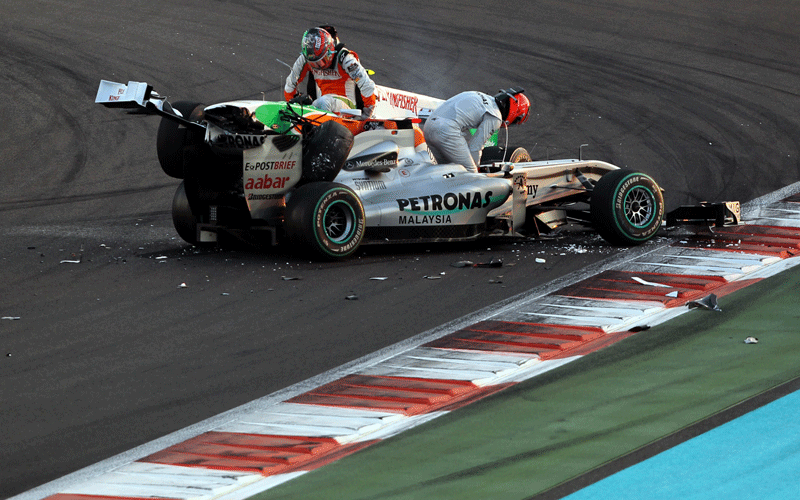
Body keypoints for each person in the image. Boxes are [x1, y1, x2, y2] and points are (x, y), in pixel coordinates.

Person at [422, 88, 530, 173]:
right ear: (516, 114)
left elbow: (467, 140)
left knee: (445, 173)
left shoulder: (482, 96)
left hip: (428, 127)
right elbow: (475, 147)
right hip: (446, 130)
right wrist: (476, 168)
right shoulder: (495, 116)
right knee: (470, 174)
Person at [284, 26, 377, 119]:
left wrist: (366, 116)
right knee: (313, 104)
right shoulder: (305, 58)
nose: (318, 66)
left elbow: (366, 85)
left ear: (330, 50)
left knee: (323, 102)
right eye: (313, 63)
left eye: (321, 61)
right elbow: (290, 84)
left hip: (348, 109)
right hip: (321, 107)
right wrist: (293, 107)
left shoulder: (345, 58)